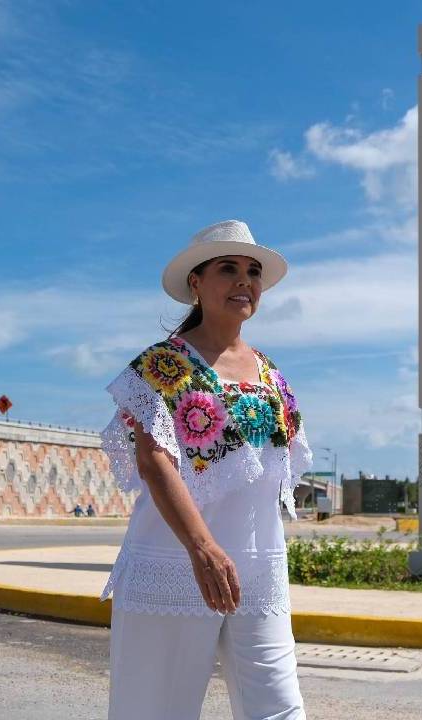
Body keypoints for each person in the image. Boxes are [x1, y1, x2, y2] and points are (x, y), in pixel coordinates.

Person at [99, 219, 312, 719]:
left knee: (279, 708)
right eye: (228, 268)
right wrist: (203, 547)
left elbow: (275, 471)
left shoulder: (270, 373)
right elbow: (154, 461)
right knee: (153, 710)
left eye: (253, 272)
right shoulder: (162, 365)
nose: (245, 281)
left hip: (259, 566)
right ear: (195, 282)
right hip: (173, 562)